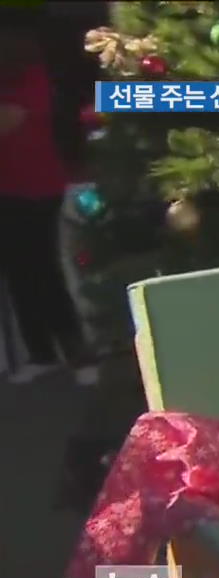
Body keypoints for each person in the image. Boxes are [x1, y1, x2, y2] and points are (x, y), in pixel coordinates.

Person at [0, 8, 94, 385]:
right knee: (21, 273)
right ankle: (40, 353)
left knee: (44, 271)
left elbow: (9, 121)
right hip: (9, 187)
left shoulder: (31, 78)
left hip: (38, 186)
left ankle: (77, 353)